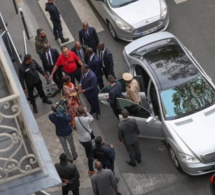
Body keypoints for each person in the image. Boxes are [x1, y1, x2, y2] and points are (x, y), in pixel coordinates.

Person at [74, 106, 95, 176]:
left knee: (87, 149)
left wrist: (83, 112)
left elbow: (77, 115)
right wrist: (87, 112)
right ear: (83, 112)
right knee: (90, 154)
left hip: (80, 139)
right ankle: (91, 169)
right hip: (87, 138)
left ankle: (88, 156)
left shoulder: (76, 119)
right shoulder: (86, 119)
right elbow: (92, 118)